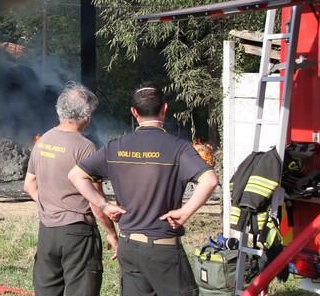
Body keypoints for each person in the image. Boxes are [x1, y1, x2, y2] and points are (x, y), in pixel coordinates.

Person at [69, 83, 219, 296]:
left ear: (134, 112)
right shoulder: (179, 148)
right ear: (164, 109)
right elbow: (210, 180)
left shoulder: (115, 147)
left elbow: (75, 175)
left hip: (130, 248)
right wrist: (185, 212)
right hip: (164, 250)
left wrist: (104, 205)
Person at [23, 82, 118, 296]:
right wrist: (112, 234)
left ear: (60, 110)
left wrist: (50, 204)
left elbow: (29, 185)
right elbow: (96, 202)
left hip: (47, 233)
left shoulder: (42, 141)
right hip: (78, 235)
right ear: (87, 116)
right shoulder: (85, 148)